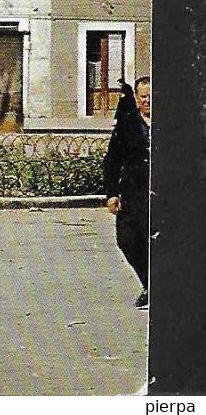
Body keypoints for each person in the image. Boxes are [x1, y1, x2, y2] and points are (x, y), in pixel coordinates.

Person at [103, 76, 150, 307]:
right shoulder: (128, 124)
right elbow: (112, 160)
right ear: (137, 99)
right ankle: (149, 282)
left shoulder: (171, 123)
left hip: (164, 193)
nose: (149, 101)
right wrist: (111, 193)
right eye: (144, 97)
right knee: (127, 239)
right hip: (133, 191)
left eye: (152, 96)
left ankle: (158, 286)